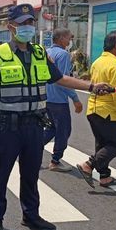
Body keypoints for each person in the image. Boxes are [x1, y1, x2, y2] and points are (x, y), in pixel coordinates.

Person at [0, 3, 110, 230]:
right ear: (11, 27)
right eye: (23, 23)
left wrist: (91, 87)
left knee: (30, 174)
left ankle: (31, 215)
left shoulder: (40, 53)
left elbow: (60, 79)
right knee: (1, 175)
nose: (28, 27)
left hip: (34, 126)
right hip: (7, 126)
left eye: (31, 22)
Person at [76, 30, 116, 189]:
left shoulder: (97, 62)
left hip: (93, 108)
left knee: (102, 144)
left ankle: (105, 176)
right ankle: (88, 164)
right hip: (107, 111)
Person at [43, 28, 83, 172]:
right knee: (64, 130)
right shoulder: (63, 54)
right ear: (60, 39)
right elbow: (65, 80)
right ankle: (55, 161)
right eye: (68, 38)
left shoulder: (46, 53)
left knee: (52, 128)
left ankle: (28, 148)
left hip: (46, 98)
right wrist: (75, 98)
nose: (70, 41)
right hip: (59, 100)